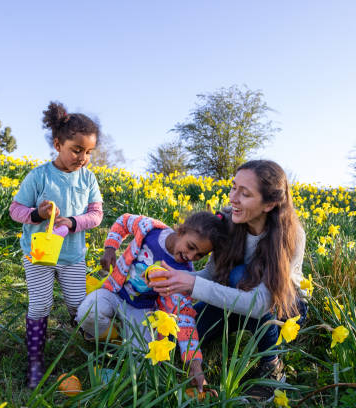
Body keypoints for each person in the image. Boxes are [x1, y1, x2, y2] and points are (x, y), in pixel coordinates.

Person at [148, 160, 306, 400]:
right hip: (233, 299)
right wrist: (174, 278)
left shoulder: (289, 235)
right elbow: (210, 276)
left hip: (282, 309)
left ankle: (271, 365)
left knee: (239, 276)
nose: (234, 198)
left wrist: (191, 285)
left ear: (270, 204)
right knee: (173, 343)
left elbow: (260, 304)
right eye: (234, 188)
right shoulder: (229, 222)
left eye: (245, 194)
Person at [77, 212, 228, 392]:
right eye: (191, 246)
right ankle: (114, 338)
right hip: (115, 291)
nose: (191, 255)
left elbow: (184, 317)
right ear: (182, 231)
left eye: (199, 255)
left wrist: (194, 364)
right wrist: (110, 247)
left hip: (142, 310)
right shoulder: (150, 229)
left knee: (144, 361)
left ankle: (120, 356)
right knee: (86, 314)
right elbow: (123, 220)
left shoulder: (182, 272)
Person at [9, 101, 103, 389]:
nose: (83, 157)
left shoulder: (88, 178)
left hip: (72, 255)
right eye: (77, 150)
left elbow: (96, 215)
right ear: (58, 143)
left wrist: (72, 223)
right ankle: (35, 364)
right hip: (38, 254)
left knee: (78, 305)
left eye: (88, 152)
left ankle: (90, 352)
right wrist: (38, 214)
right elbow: (15, 210)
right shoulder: (38, 176)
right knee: (40, 305)